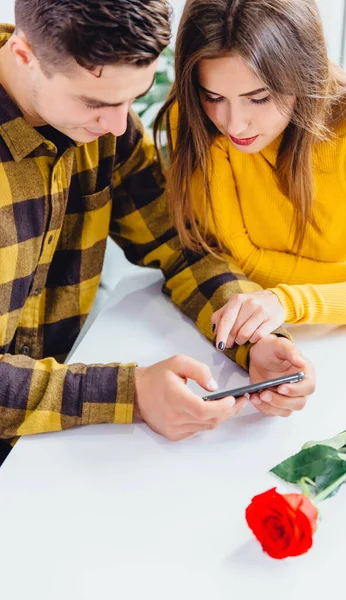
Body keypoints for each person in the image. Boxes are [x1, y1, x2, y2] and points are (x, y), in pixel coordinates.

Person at [0, 0, 315, 462]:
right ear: (24, 53)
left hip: (53, 448)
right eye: (96, 103)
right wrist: (129, 392)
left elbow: (178, 245)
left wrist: (256, 341)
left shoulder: (108, 125)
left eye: (134, 99)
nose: (118, 124)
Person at [155, 0, 346, 352]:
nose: (233, 124)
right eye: (214, 96)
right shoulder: (195, 119)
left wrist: (285, 301)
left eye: (259, 98)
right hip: (239, 328)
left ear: (304, 70)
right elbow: (229, 256)